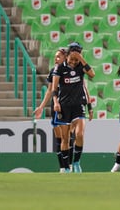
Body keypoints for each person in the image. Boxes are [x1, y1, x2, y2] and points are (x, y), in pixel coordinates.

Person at [51, 42, 95, 173]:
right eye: (72, 58)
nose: (74, 61)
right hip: (64, 106)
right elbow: (54, 89)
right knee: (65, 139)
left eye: (77, 59)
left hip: (78, 106)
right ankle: (66, 167)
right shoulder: (59, 68)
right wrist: (56, 103)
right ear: (67, 55)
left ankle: (76, 162)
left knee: (79, 134)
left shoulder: (81, 66)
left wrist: (81, 58)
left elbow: (92, 74)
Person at [33, 48, 67, 172]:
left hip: (68, 107)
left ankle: (70, 165)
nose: (56, 58)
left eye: (59, 56)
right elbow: (49, 91)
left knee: (68, 138)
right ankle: (63, 168)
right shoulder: (53, 71)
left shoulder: (71, 71)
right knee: (59, 139)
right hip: (56, 107)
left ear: (65, 58)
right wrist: (41, 107)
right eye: (55, 56)